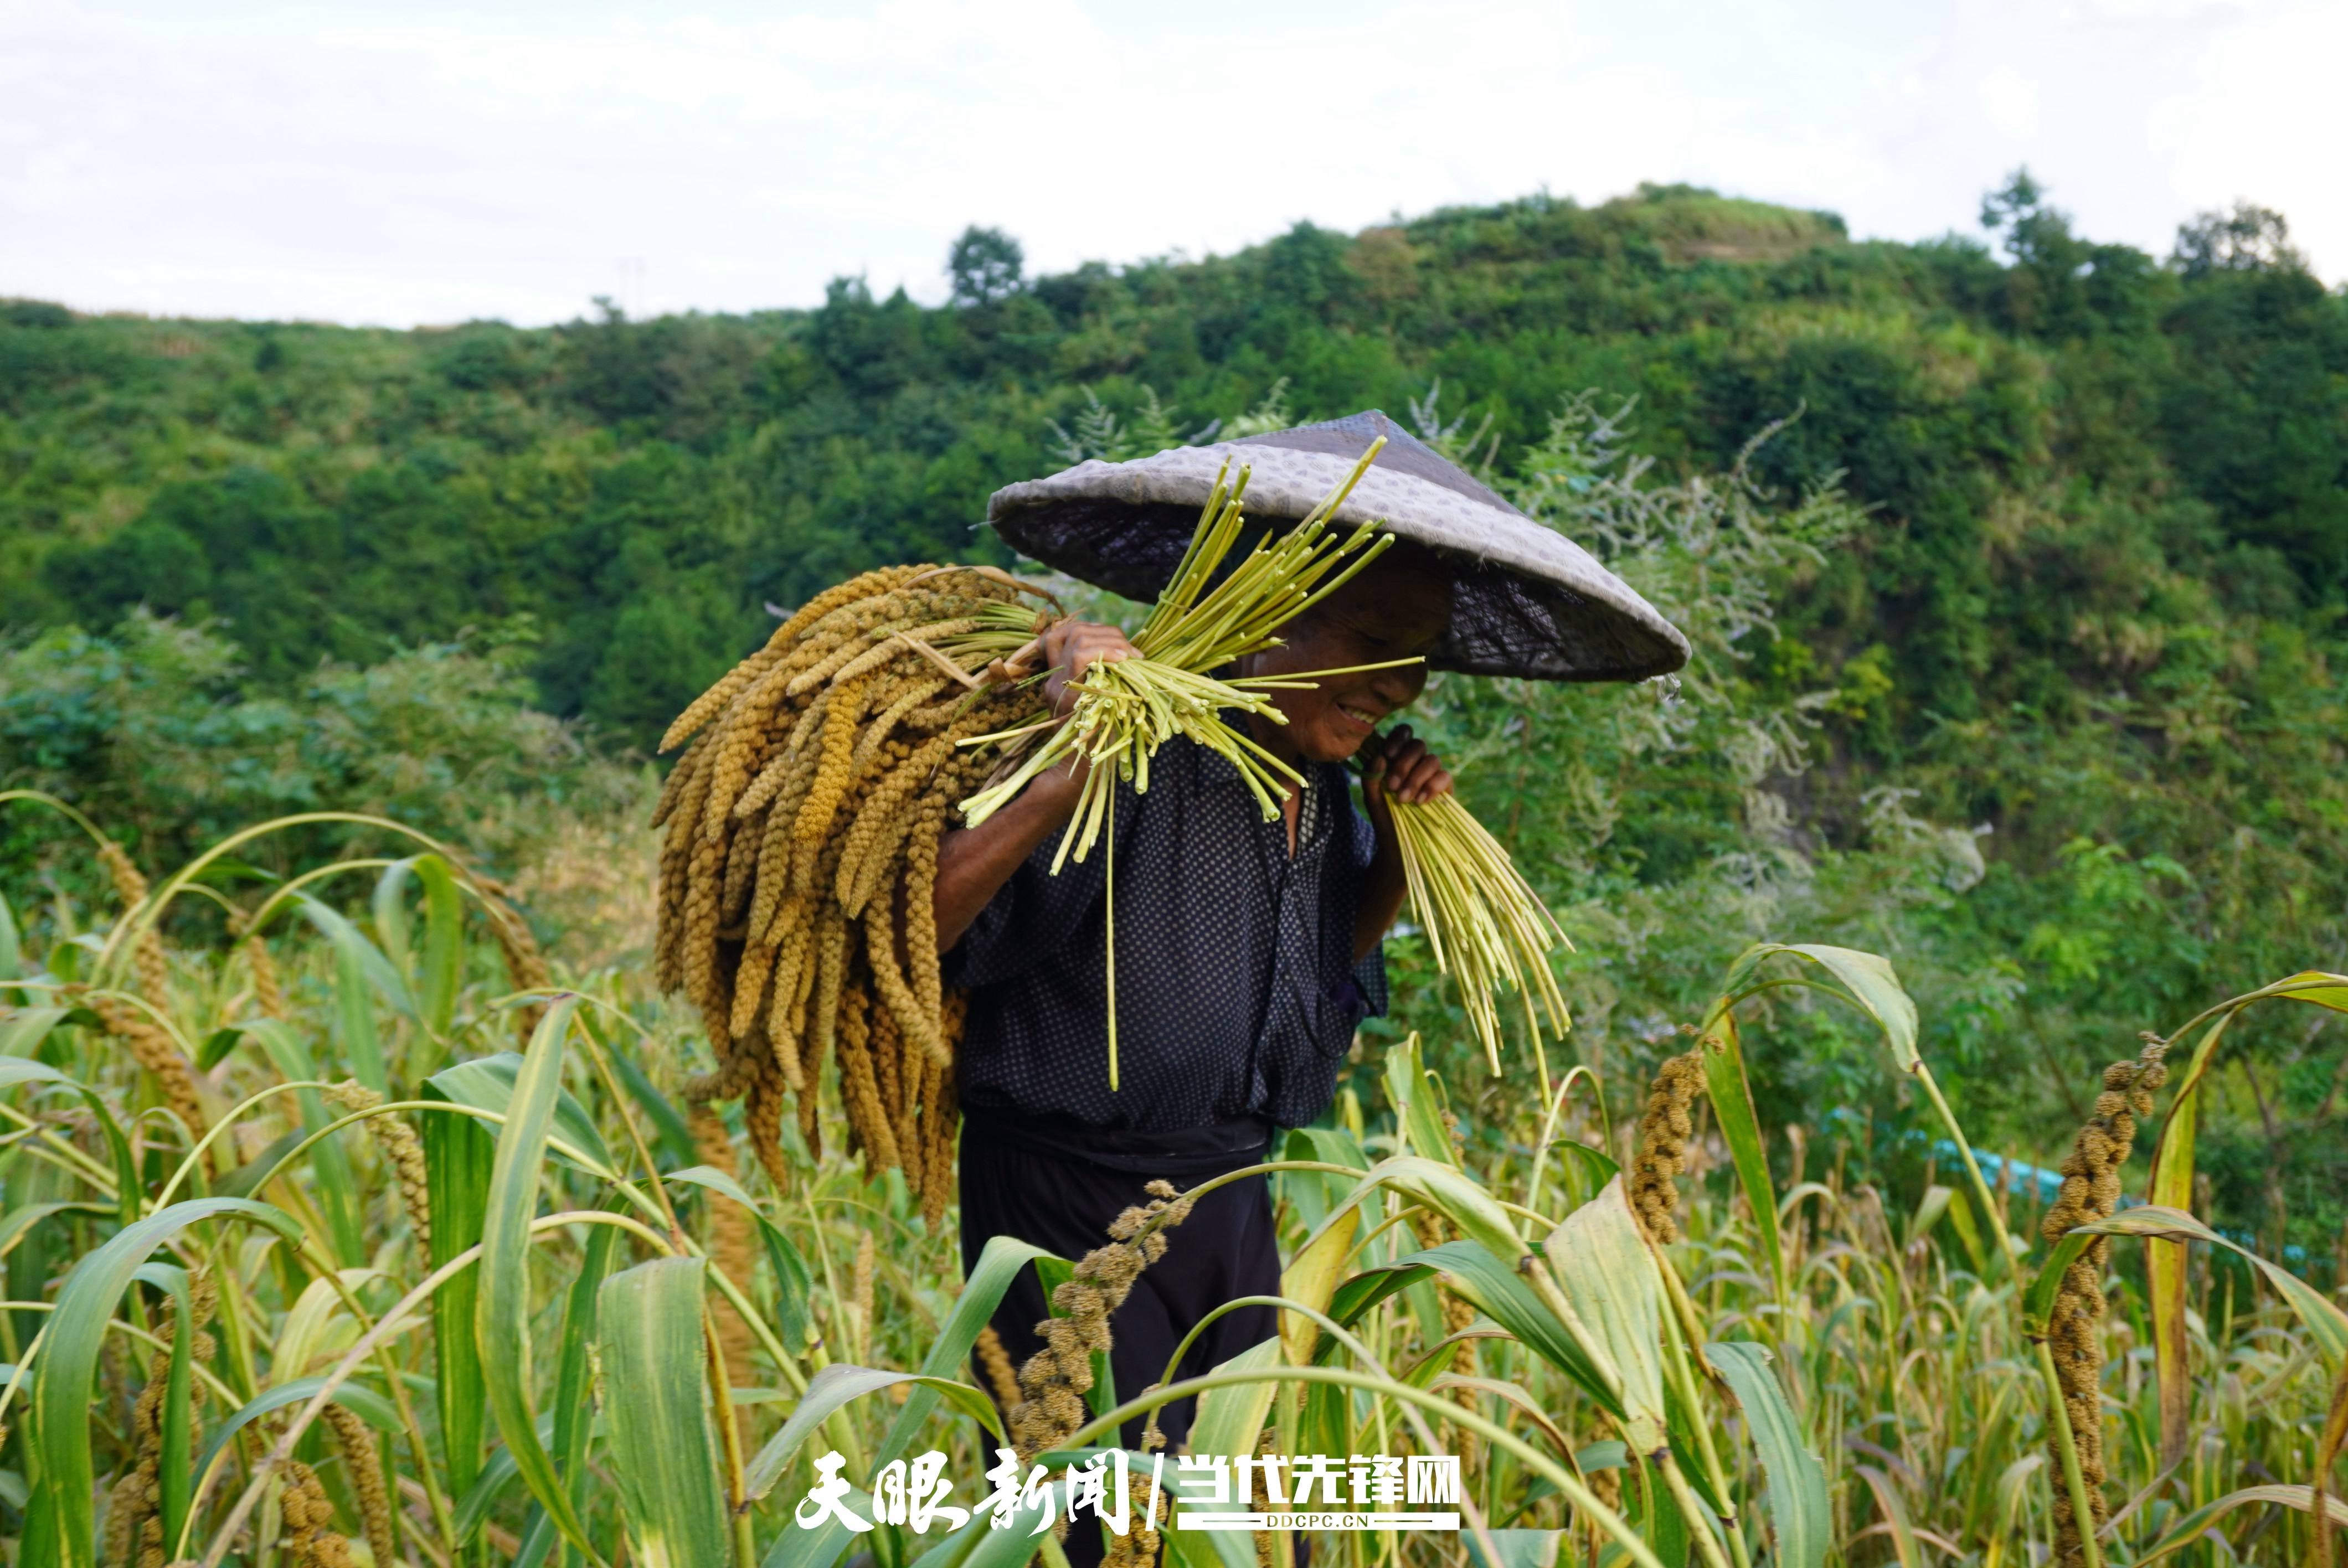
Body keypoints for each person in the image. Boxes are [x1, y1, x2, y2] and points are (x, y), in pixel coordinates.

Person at [938, 411, 1687, 1546]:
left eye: (1421, 660)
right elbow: (917, 932)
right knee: (1090, 1523)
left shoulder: (1314, 787)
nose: (1404, 688)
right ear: (1270, 606)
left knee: (1230, 1522)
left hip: (1227, 1197)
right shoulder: (1123, 736)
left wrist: (1390, 848)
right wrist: (1072, 761)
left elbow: (1299, 975)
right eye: (1378, 641)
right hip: (1067, 1203)